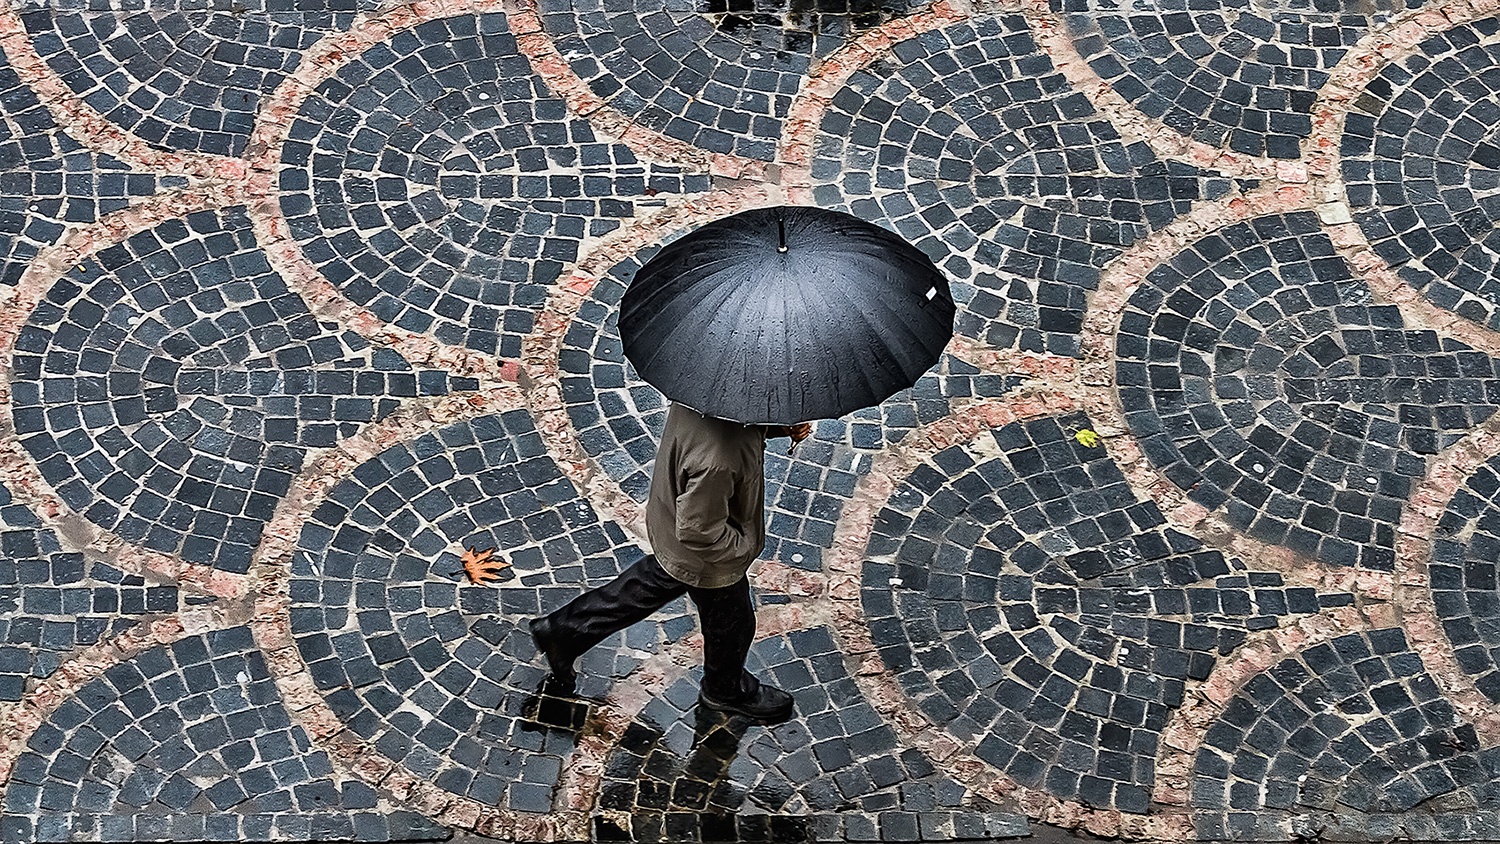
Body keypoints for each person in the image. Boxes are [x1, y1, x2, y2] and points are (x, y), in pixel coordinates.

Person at [529, 403, 811, 721]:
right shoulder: (719, 460)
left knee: (654, 583)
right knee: (734, 622)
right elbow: (699, 530)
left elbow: (727, 433)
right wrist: (742, 550)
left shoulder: (704, 397)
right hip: (708, 555)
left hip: (672, 520)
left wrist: (773, 428)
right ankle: (724, 690)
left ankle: (564, 632)